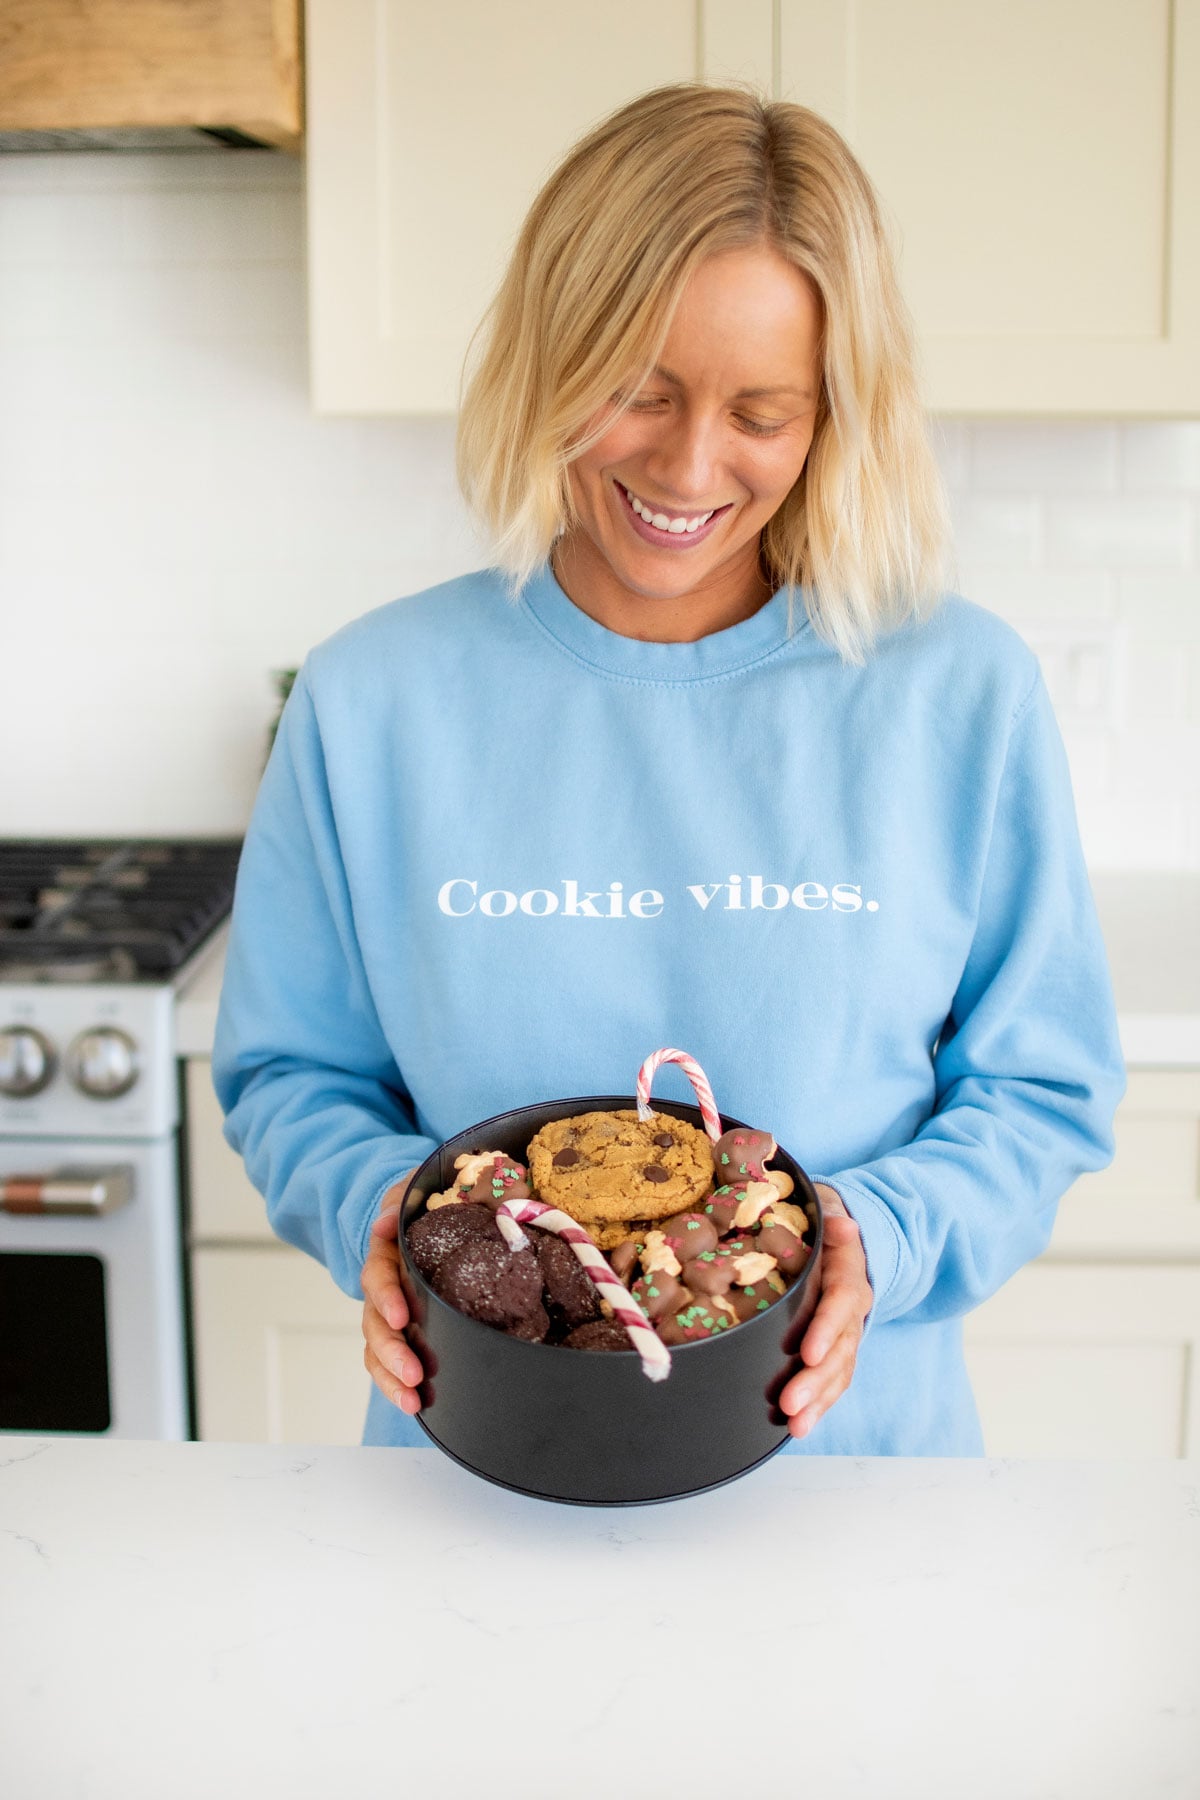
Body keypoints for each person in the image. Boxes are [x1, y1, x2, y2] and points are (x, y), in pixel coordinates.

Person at [212, 83, 1125, 1455]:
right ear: (549, 354)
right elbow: (294, 1076)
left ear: (835, 414)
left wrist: (873, 1239)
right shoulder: (371, 700)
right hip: (480, 1470)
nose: (689, 466)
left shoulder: (956, 693)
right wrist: (383, 1216)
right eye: (638, 390)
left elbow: (1040, 1086)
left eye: (763, 411)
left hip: (859, 1485)